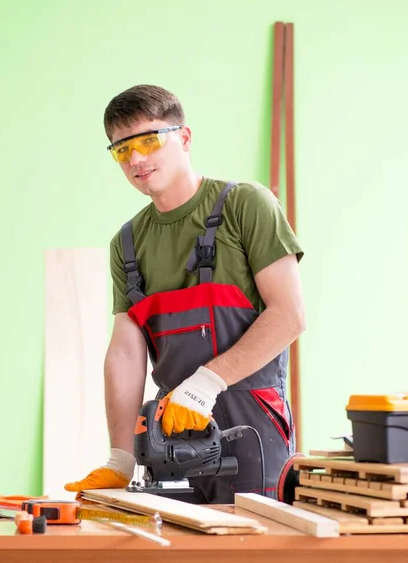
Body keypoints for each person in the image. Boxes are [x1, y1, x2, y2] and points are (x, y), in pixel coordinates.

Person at [64, 84, 306, 503]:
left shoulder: (246, 205)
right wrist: (121, 457)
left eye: (149, 140)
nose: (136, 159)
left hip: (253, 435)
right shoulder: (126, 243)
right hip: (173, 438)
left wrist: (206, 384)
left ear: (185, 137)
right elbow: (125, 352)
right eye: (122, 149)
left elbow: (288, 316)